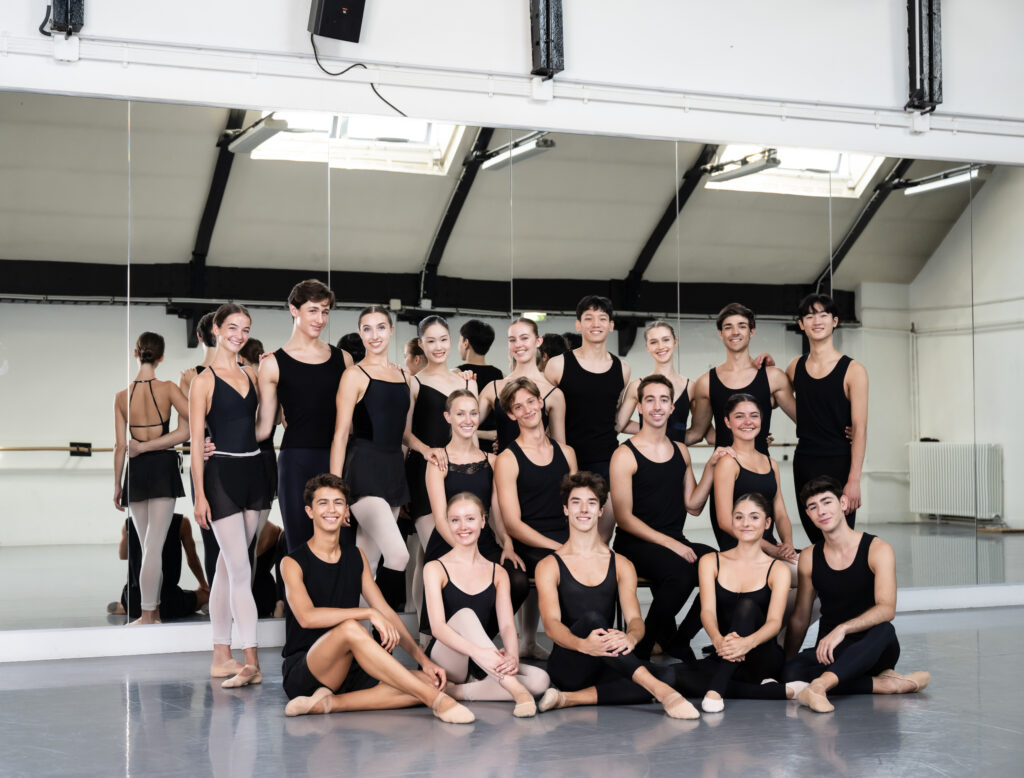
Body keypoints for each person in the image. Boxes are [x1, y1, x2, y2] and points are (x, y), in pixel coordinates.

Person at [279, 473, 473, 724]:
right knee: (350, 628)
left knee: (433, 681)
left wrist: (423, 661)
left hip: (350, 665)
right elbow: (306, 617)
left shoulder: (355, 557)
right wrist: (367, 613)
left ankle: (330, 703)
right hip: (307, 669)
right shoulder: (292, 562)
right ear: (310, 511)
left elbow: (386, 611)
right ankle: (437, 701)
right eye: (323, 503)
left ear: (346, 510)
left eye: (338, 503)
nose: (331, 509)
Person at [535, 472, 699, 719]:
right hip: (570, 663)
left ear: (601, 510)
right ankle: (662, 693)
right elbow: (551, 625)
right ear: (566, 510)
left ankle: (567, 699)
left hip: (607, 659)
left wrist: (631, 639)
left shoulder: (621, 564)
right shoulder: (549, 565)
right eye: (576, 502)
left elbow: (635, 620)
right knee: (592, 620)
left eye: (591, 503)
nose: (583, 509)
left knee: (669, 673)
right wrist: (583, 644)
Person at [784, 477, 930, 713]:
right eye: (813, 507)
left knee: (885, 629)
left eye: (827, 502)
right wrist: (787, 661)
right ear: (808, 515)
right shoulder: (810, 557)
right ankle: (886, 685)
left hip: (874, 646)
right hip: (832, 651)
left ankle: (820, 684)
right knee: (792, 673)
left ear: (843, 503)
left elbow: (886, 609)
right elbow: (800, 617)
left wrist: (842, 629)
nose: (821, 511)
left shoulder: (877, 549)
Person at [609, 374, 725, 659]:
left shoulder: (681, 451)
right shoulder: (625, 454)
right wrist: (672, 545)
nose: (657, 406)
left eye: (664, 400)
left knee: (724, 568)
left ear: (673, 408)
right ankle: (644, 646)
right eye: (649, 400)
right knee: (681, 572)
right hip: (635, 543)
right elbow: (624, 519)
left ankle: (678, 640)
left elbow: (693, 506)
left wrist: (711, 467)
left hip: (673, 542)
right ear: (639, 406)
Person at [189, 303, 272, 688]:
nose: (239, 335)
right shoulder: (202, 381)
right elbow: (194, 446)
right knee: (241, 571)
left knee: (228, 566)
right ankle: (251, 659)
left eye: (246, 329)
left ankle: (221, 656)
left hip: (254, 472)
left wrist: (272, 375)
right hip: (220, 475)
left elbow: (259, 430)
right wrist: (199, 496)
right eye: (233, 327)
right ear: (217, 330)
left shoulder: (253, 373)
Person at [424, 492, 550, 715]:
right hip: (447, 660)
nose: (463, 526)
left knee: (541, 680)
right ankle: (516, 691)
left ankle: (455, 692)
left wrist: (512, 656)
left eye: (470, 519)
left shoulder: (498, 572)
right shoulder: (435, 568)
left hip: (481, 662)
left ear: (483, 521)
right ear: (448, 524)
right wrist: (479, 653)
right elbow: (437, 627)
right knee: (465, 615)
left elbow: (507, 626)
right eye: (455, 520)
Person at [330, 306, 424, 598]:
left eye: (381, 327)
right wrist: (335, 493)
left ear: (391, 330)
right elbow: (340, 434)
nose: (374, 335)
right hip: (364, 471)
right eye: (367, 329)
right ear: (360, 333)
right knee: (398, 556)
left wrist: (427, 449)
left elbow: (403, 434)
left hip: (393, 471)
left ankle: (358, 634)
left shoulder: (405, 378)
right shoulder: (353, 376)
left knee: (367, 562)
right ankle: (380, 632)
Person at [254, 279, 352, 554]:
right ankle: (295, 598)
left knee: (341, 543)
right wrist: (214, 442)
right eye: (313, 310)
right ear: (294, 310)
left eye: (325, 311)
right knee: (298, 543)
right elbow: (263, 429)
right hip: (295, 461)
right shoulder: (272, 364)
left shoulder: (343, 359)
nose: (320, 319)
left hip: (337, 457)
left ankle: (336, 599)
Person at [419, 390, 528, 631]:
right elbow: (439, 519)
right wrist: (466, 553)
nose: (468, 420)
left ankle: (480, 644)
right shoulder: (438, 461)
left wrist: (508, 545)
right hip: (448, 542)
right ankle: (458, 650)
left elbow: (498, 513)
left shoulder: (493, 461)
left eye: (473, 413)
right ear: (448, 417)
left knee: (518, 579)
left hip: (484, 541)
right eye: (460, 414)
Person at [494, 377, 578, 657]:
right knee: (553, 573)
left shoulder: (567, 453)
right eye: (518, 406)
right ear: (511, 414)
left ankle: (582, 649)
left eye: (531, 401)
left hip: (565, 537)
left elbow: (577, 507)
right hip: (528, 542)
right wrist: (559, 548)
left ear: (541, 402)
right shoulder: (508, 458)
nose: (527, 409)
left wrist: (579, 544)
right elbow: (513, 524)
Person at [113, 331, 190, 625]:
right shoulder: (168, 388)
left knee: (147, 548)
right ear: (161, 357)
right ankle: (148, 614)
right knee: (153, 547)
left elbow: (121, 447)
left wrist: (116, 485)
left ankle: (152, 612)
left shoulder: (121, 397)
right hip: (162, 467)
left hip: (136, 470)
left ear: (136, 353)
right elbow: (187, 431)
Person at [696, 493, 792, 712]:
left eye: (754, 517)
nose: (746, 523)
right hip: (725, 653)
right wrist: (718, 640)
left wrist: (746, 644)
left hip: (762, 657)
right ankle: (775, 692)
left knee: (747, 606)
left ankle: (717, 690)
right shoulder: (711, 561)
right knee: (669, 675)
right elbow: (707, 612)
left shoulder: (778, 569)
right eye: (739, 517)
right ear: (732, 521)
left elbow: (774, 623)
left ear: (767, 523)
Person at [544, 296, 630, 540]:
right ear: (578, 325)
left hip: (606, 462)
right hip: (564, 459)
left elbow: (611, 416)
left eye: (602, 318)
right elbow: (540, 417)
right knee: (565, 537)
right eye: (588, 318)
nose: (596, 323)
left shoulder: (622, 369)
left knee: (601, 538)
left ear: (611, 325)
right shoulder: (557, 365)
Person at [786, 293, 868, 546]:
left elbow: (861, 430)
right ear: (801, 325)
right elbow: (777, 399)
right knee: (815, 535)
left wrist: (854, 480)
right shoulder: (794, 367)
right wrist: (764, 365)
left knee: (840, 536)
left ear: (835, 321)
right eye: (809, 316)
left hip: (839, 463)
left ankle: (841, 585)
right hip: (805, 462)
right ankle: (821, 585)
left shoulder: (853, 370)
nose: (816, 321)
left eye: (823, 315)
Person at [406, 315, 478, 559]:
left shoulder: (467, 383)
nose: (439, 347)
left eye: (444, 340)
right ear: (421, 344)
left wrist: (478, 470)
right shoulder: (414, 383)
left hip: (460, 472)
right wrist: (427, 450)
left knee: (426, 559)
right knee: (438, 553)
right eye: (431, 341)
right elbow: (404, 433)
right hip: (425, 472)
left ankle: (417, 601)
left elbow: (471, 435)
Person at [689, 302, 796, 454]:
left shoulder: (773, 377)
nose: (735, 332)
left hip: (762, 472)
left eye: (742, 326)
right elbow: (696, 434)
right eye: (728, 327)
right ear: (720, 333)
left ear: (751, 331)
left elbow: (804, 421)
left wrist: (840, 429)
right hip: (722, 472)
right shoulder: (705, 383)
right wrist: (646, 438)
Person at [710, 394, 798, 561]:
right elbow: (724, 521)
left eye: (754, 416)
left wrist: (787, 544)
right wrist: (771, 549)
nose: (748, 422)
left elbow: (780, 514)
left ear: (761, 420)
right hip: (740, 549)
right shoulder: (728, 463)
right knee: (799, 574)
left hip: (767, 546)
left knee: (810, 566)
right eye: (739, 416)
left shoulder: (771, 463)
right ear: (728, 422)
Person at [478, 317, 566, 453]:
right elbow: (465, 424)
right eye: (512, 340)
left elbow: (560, 449)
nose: (518, 344)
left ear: (538, 341)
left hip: (539, 471)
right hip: (502, 470)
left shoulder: (554, 394)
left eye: (524, 338)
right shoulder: (493, 388)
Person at [111, 513, 209, 622]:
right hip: (168, 602)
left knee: (139, 598)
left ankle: (125, 607)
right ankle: (201, 604)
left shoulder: (129, 523)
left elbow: (123, 555)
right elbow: (192, 560)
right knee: (206, 595)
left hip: (132, 600)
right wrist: (204, 584)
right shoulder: (181, 523)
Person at [615, 321, 700, 444]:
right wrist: (651, 430)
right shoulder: (636, 386)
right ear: (647, 347)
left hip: (677, 458)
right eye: (654, 342)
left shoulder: (691, 387)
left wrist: (672, 442)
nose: (660, 346)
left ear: (675, 342)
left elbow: (698, 433)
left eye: (666, 340)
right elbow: (619, 425)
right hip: (645, 456)